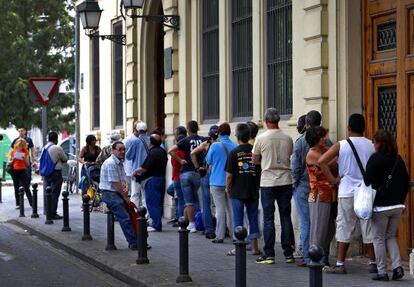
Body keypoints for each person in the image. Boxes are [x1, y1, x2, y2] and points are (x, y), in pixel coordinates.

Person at [318, 113, 376, 274]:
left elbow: (321, 161)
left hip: (347, 192)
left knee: (344, 227)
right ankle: (373, 262)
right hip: (365, 192)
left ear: (349, 128)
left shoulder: (341, 145)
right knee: (368, 227)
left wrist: (333, 180)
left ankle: (340, 263)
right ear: (364, 128)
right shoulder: (371, 145)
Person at [364, 130, 409, 281]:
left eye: (374, 142)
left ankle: (382, 272)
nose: (373, 144)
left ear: (379, 143)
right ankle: (397, 267)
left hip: (381, 206)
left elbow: (366, 180)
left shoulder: (375, 159)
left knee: (378, 238)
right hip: (397, 206)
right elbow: (406, 183)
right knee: (390, 236)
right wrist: (401, 201)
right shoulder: (398, 159)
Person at [253, 107, 295, 265]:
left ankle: (269, 254)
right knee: (285, 216)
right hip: (285, 180)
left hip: (268, 181)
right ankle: (288, 253)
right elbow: (290, 155)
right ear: (278, 120)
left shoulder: (261, 138)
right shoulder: (288, 138)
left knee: (268, 218)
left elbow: (254, 159)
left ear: (265, 120)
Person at [291, 111, 331, 266]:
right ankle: (322, 255)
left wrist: (295, 184)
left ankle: (309, 256)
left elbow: (295, 166)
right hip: (322, 186)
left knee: (307, 221)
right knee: (322, 223)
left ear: (307, 123)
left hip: (304, 186)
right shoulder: (327, 141)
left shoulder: (301, 141)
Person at [226, 123, 261, 256]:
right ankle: (254, 248)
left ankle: (238, 247)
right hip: (253, 189)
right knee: (253, 218)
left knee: (238, 219)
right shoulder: (255, 151)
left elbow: (229, 175)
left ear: (238, 136)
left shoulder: (234, 152)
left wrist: (227, 188)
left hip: (237, 190)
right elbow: (259, 169)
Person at [305, 126, 337, 268]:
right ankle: (315, 256)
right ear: (315, 139)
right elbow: (327, 164)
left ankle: (324, 256)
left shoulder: (323, 151)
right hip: (318, 194)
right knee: (319, 227)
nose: (325, 138)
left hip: (329, 194)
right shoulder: (312, 154)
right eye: (322, 137)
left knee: (329, 228)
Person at [168, 120, 207, 233]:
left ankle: (191, 224)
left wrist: (180, 160)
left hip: (185, 173)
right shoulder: (203, 140)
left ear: (188, 129)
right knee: (195, 199)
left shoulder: (185, 140)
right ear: (197, 128)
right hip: (198, 173)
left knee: (188, 201)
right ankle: (194, 221)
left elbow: (170, 151)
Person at [99, 141, 137, 250]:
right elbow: (115, 183)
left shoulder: (119, 162)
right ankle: (133, 243)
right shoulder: (111, 163)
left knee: (131, 214)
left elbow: (123, 180)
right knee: (125, 217)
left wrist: (126, 188)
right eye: (120, 149)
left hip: (116, 192)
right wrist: (125, 196)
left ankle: (137, 239)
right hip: (109, 193)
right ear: (113, 150)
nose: (123, 152)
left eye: (124, 149)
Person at [206, 123, 237, 243]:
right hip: (230, 182)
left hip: (216, 182)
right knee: (231, 210)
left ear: (219, 133)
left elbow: (208, 160)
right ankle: (235, 235)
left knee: (219, 210)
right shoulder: (234, 146)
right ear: (229, 133)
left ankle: (219, 236)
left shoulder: (215, 146)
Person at [134, 133, 168, 232]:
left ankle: (155, 224)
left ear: (150, 142)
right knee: (159, 202)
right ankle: (157, 223)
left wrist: (135, 171)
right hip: (161, 178)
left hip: (152, 180)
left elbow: (144, 168)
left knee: (153, 203)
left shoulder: (153, 153)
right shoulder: (162, 151)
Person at [190, 124, 219, 239]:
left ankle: (209, 229)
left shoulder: (206, 144)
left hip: (206, 175)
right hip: (218, 177)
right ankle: (222, 228)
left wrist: (198, 168)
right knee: (219, 204)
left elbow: (192, 153)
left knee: (206, 204)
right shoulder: (222, 144)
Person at [42, 132, 68, 219]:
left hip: (46, 173)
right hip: (55, 173)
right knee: (54, 193)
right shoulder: (57, 148)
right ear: (56, 139)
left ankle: (47, 211)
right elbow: (65, 159)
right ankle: (53, 213)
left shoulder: (44, 148)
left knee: (47, 192)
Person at [126, 121, 150, 207]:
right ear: (146, 130)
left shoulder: (136, 141)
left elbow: (128, 156)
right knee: (146, 195)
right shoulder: (151, 140)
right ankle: (146, 216)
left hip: (137, 172)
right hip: (148, 172)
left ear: (137, 130)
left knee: (135, 195)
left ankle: (135, 215)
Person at [168, 126, 188, 225]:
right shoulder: (187, 148)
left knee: (180, 199)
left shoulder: (176, 150)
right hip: (182, 176)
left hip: (177, 177)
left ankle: (181, 219)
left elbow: (174, 164)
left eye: (175, 134)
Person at [9, 138, 32, 208]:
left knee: (26, 187)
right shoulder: (13, 151)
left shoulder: (25, 151)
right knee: (16, 187)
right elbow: (9, 161)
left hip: (23, 170)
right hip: (15, 170)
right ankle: (18, 204)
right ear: (16, 145)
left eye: (22, 146)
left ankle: (32, 203)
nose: (20, 147)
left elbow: (27, 164)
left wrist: (24, 158)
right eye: (19, 146)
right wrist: (13, 159)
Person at [123, 120, 140, 195]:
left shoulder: (141, 139)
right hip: (128, 169)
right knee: (130, 191)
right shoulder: (128, 139)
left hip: (138, 169)